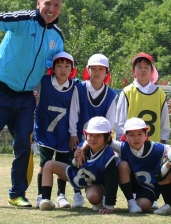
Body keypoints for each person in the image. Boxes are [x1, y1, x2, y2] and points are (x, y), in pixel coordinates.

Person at [0, 0, 64, 207]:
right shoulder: (25, 19)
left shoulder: (57, 37)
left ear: (60, 9)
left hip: (25, 98)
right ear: (38, 3)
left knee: (24, 146)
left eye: (56, 6)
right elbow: (2, 19)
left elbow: (56, 68)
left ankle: (17, 194)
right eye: (47, 4)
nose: (51, 9)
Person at [39, 117, 119, 214]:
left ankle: (99, 202)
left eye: (98, 136)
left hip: (93, 183)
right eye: (90, 135)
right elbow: (73, 167)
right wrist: (75, 160)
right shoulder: (83, 146)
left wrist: (109, 206)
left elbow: (111, 182)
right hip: (77, 176)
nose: (93, 139)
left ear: (107, 137)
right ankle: (45, 199)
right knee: (48, 164)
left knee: (94, 197)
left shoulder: (108, 155)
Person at [68, 53, 117, 207]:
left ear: (107, 73)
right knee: (76, 162)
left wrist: (91, 143)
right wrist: (73, 134)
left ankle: (101, 192)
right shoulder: (79, 88)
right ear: (87, 70)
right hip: (80, 137)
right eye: (93, 68)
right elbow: (73, 111)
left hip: (98, 142)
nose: (97, 72)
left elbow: (110, 123)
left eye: (101, 69)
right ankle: (77, 194)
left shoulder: (111, 95)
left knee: (99, 166)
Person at [34, 51, 78, 209]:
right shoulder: (44, 82)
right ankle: (41, 195)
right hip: (46, 131)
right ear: (52, 68)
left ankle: (61, 195)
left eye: (67, 66)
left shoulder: (75, 86)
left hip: (64, 133)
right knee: (44, 163)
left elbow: (75, 110)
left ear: (72, 69)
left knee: (62, 164)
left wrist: (73, 133)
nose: (63, 69)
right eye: (59, 65)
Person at [115, 53, 170, 144]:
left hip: (154, 146)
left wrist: (163, 139)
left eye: (146, 67)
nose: (143, 70)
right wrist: (121, 142)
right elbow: (121, 121)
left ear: (152, 71)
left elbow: (164, 120)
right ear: (133, 71)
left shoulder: (159, 93)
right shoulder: (127, 92)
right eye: (139, 67)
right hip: (131, 145)